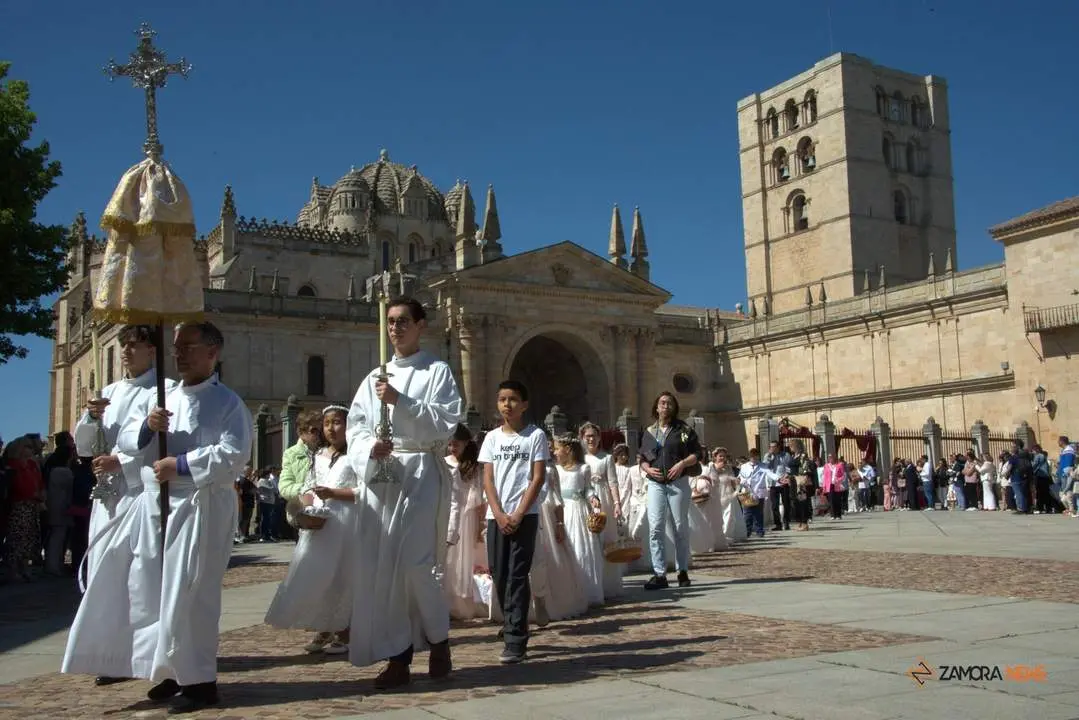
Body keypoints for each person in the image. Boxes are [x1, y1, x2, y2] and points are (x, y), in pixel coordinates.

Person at [63, 321, 253, 714]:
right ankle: (166, 670)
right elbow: (131, 446)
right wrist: (148, 430)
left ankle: (201, 682)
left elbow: (235, 453)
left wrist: (181, 464)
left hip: (198, 506)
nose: (179, 353)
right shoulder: (164, 399)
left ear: (213, 353)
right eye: (177, 347)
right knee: (150, 592)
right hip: (156, 506)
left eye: (188, 347)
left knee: (191, 593)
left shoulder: (228, 402)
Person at [345, 296, 463, 689]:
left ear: (420, 325)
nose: (395, 328)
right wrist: (368, 448)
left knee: (416, 564)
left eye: (403, 321)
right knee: (386, 567)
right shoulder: (371, 378)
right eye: (391, 322)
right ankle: (399, 655)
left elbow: (445, 422)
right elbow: (355, 426)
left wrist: (401, 401)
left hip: (420, 471)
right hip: (383, 476)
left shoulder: (437, 371)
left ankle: (438, 637)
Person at [265, 405, 357, 655]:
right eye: (326, 424)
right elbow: (308, 485)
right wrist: (306, 508)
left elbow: (366, 491)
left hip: (347, 521)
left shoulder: (356, 455)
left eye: (337, 423)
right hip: (321, 522)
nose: (331, 429)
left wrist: (335, 493)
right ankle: (324, 625)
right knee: (320, 574)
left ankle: (345, 628)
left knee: (343, 574)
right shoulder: (319, 455)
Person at [478, 380, 549, 664]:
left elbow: (537, 477)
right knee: (499, 573)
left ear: (524, 405)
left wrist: (518, 514)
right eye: (502, 399)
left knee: (517, 575)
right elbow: (488, 479)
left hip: (524, 516)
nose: (506, 404)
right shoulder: (492, 438)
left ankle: (516, 637)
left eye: (512, 399)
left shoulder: (535, 436)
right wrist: (498, 512)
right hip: (497, 517)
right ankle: (510, 621)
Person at [638, 391, 702, 591]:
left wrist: (682, 464)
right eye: (662, 403)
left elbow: (697, 454)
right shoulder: (649, 432)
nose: (665, 406)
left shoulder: (683, 430)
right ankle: (659, 574)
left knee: (679, 526)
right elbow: (643, 458)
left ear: (674, 408)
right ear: (656, 407)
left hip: (678, 482)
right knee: (655, 526)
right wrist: (647, 468)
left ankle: (682, 570)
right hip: (656, 483)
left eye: (669, 403)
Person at [444, 424, 488, 621]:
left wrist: (480, 525)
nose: (452, 448)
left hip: (467, 516)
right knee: (447, 560)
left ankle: (463, 603)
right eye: (450, 444)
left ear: (466, 444)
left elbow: (478, 498)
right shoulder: (444, 463)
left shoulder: (474, 467)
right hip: (446, 514)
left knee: (465, 559)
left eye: (456, 444)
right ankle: (446, 601)